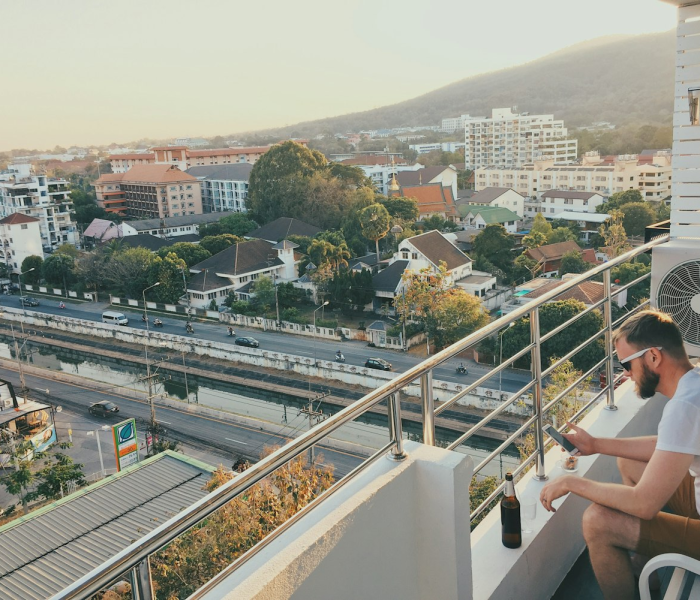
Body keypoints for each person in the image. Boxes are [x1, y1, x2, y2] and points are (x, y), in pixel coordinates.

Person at [539, 309, 700, 599]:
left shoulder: (684, 408)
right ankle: (644, 564)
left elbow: (644, 504)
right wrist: (596, 444)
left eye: (627, 363)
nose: (626, 373)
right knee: (630, 462)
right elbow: (670, 444)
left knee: (597, 521)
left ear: (653, 357)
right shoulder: (694, 382)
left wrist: (571, 482)